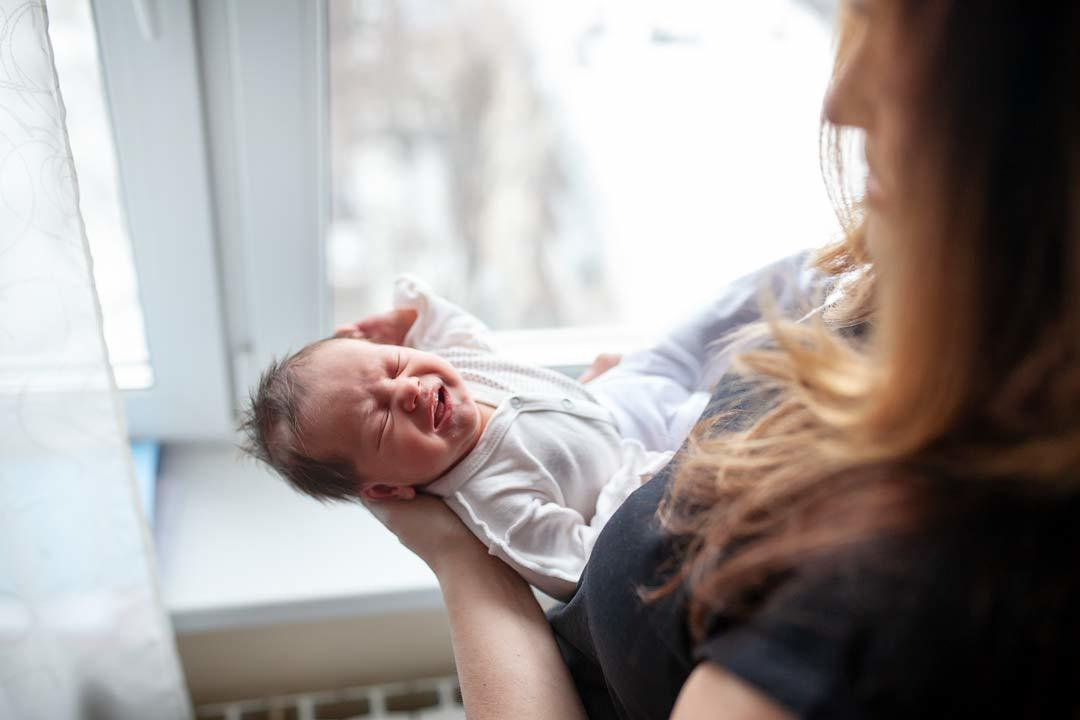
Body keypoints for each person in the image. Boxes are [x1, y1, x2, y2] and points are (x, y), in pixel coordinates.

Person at [363, 1, 1080, 718]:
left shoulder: (869, 611)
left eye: (907, 43)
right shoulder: (935, 288)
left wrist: (462, 559)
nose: (841, 98)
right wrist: (602, 420)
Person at [240, 268, 818, 599]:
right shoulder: (493, 502)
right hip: (650, 456)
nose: (408, 390)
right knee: (756, 412)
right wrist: (632, 483)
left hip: (619, 393)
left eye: (392, 366)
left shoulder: (460, 373)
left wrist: (413, 318)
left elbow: (460, 334)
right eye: (382, 419)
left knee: (714, 319)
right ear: (387, 491)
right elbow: (579, 567)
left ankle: (818, 273)